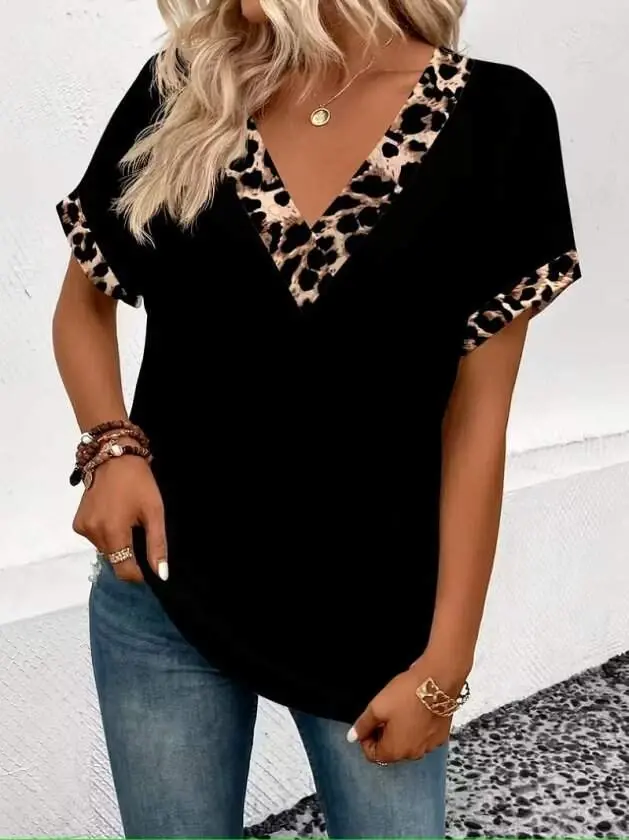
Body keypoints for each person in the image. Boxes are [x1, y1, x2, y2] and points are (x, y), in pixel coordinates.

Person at [52, 0, 582, 837]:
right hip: (162, 591)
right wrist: (111, 449)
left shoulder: (498, 117)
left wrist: (444, 666)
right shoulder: (186, 89)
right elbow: (83, 306)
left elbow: (475, 425)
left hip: (373, 618)